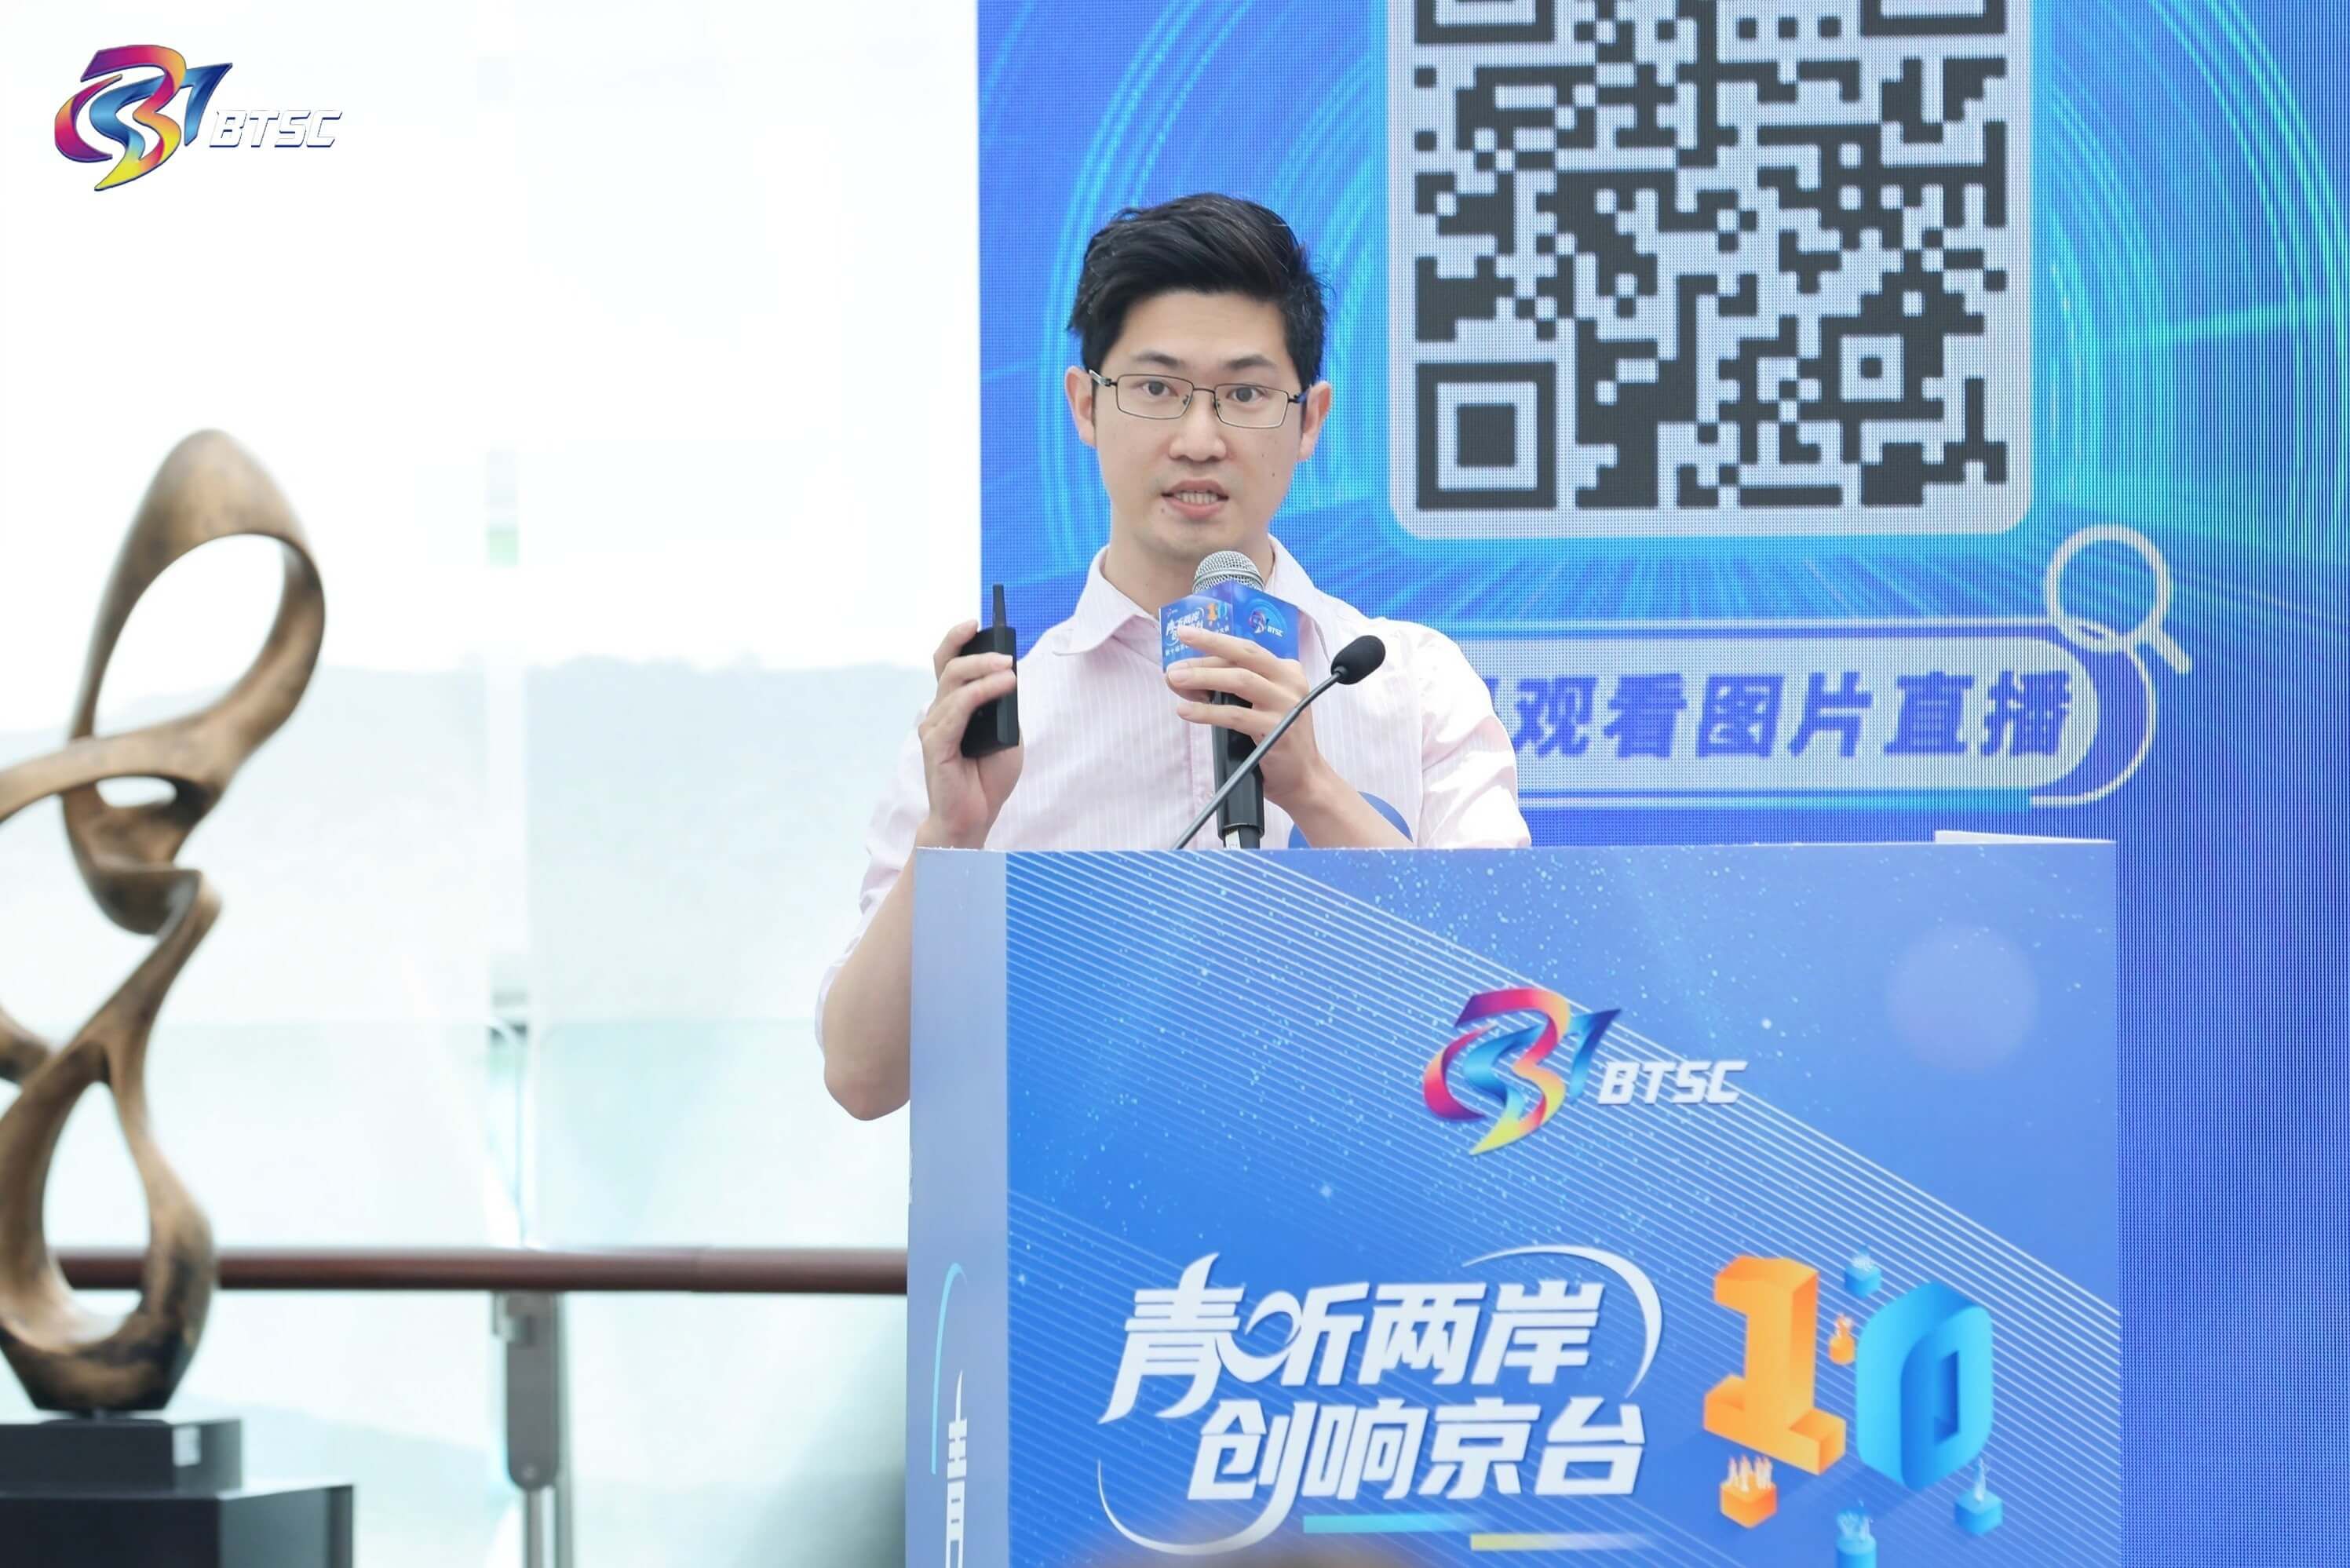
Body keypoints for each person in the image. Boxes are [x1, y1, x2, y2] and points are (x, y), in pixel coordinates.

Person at [818, 193, 1531, 1118]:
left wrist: (1315, 790)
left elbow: (1517, 1023)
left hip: (1369, 1201)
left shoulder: (1410, 681)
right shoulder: (996, 725)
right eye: (1156, 390)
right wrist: (952, 839)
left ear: (1310, 420)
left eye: (1245, 395)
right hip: (1082, 1209)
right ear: (1086, 404)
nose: (1199, 440)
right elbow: (862, 1079)